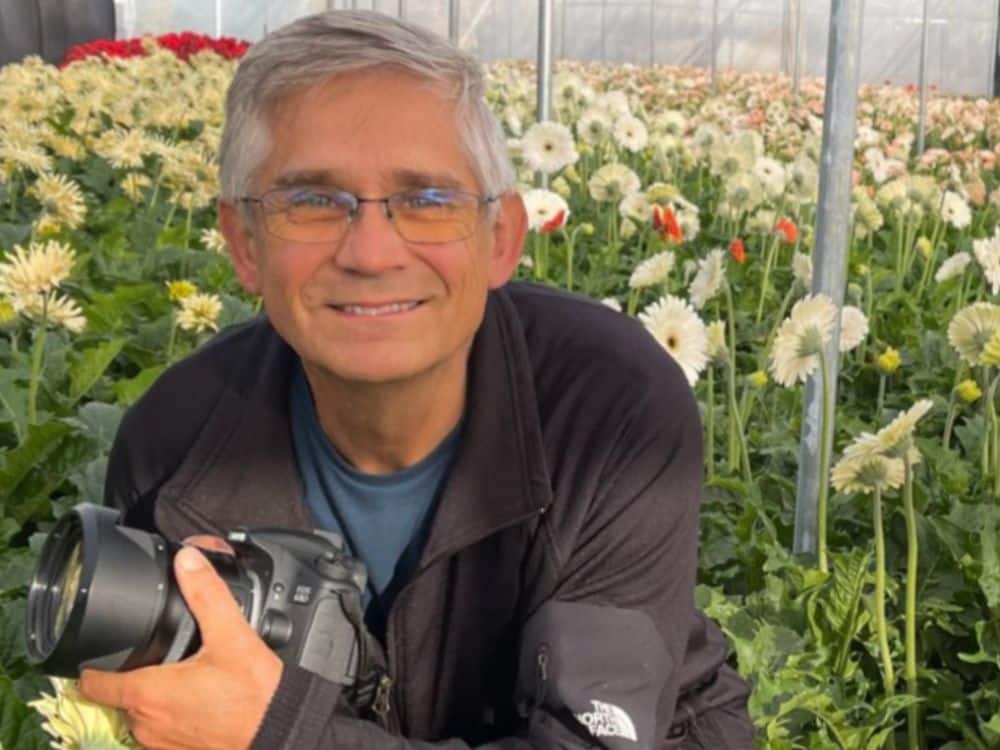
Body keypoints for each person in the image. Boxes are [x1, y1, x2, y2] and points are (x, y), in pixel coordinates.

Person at [78, 9, 754, 749]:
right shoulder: (173, 448)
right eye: (311, 201)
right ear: (244, 244)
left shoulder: (612, 413)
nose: (371, 252)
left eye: (428, 200)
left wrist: (288, 737)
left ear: (500, 239)